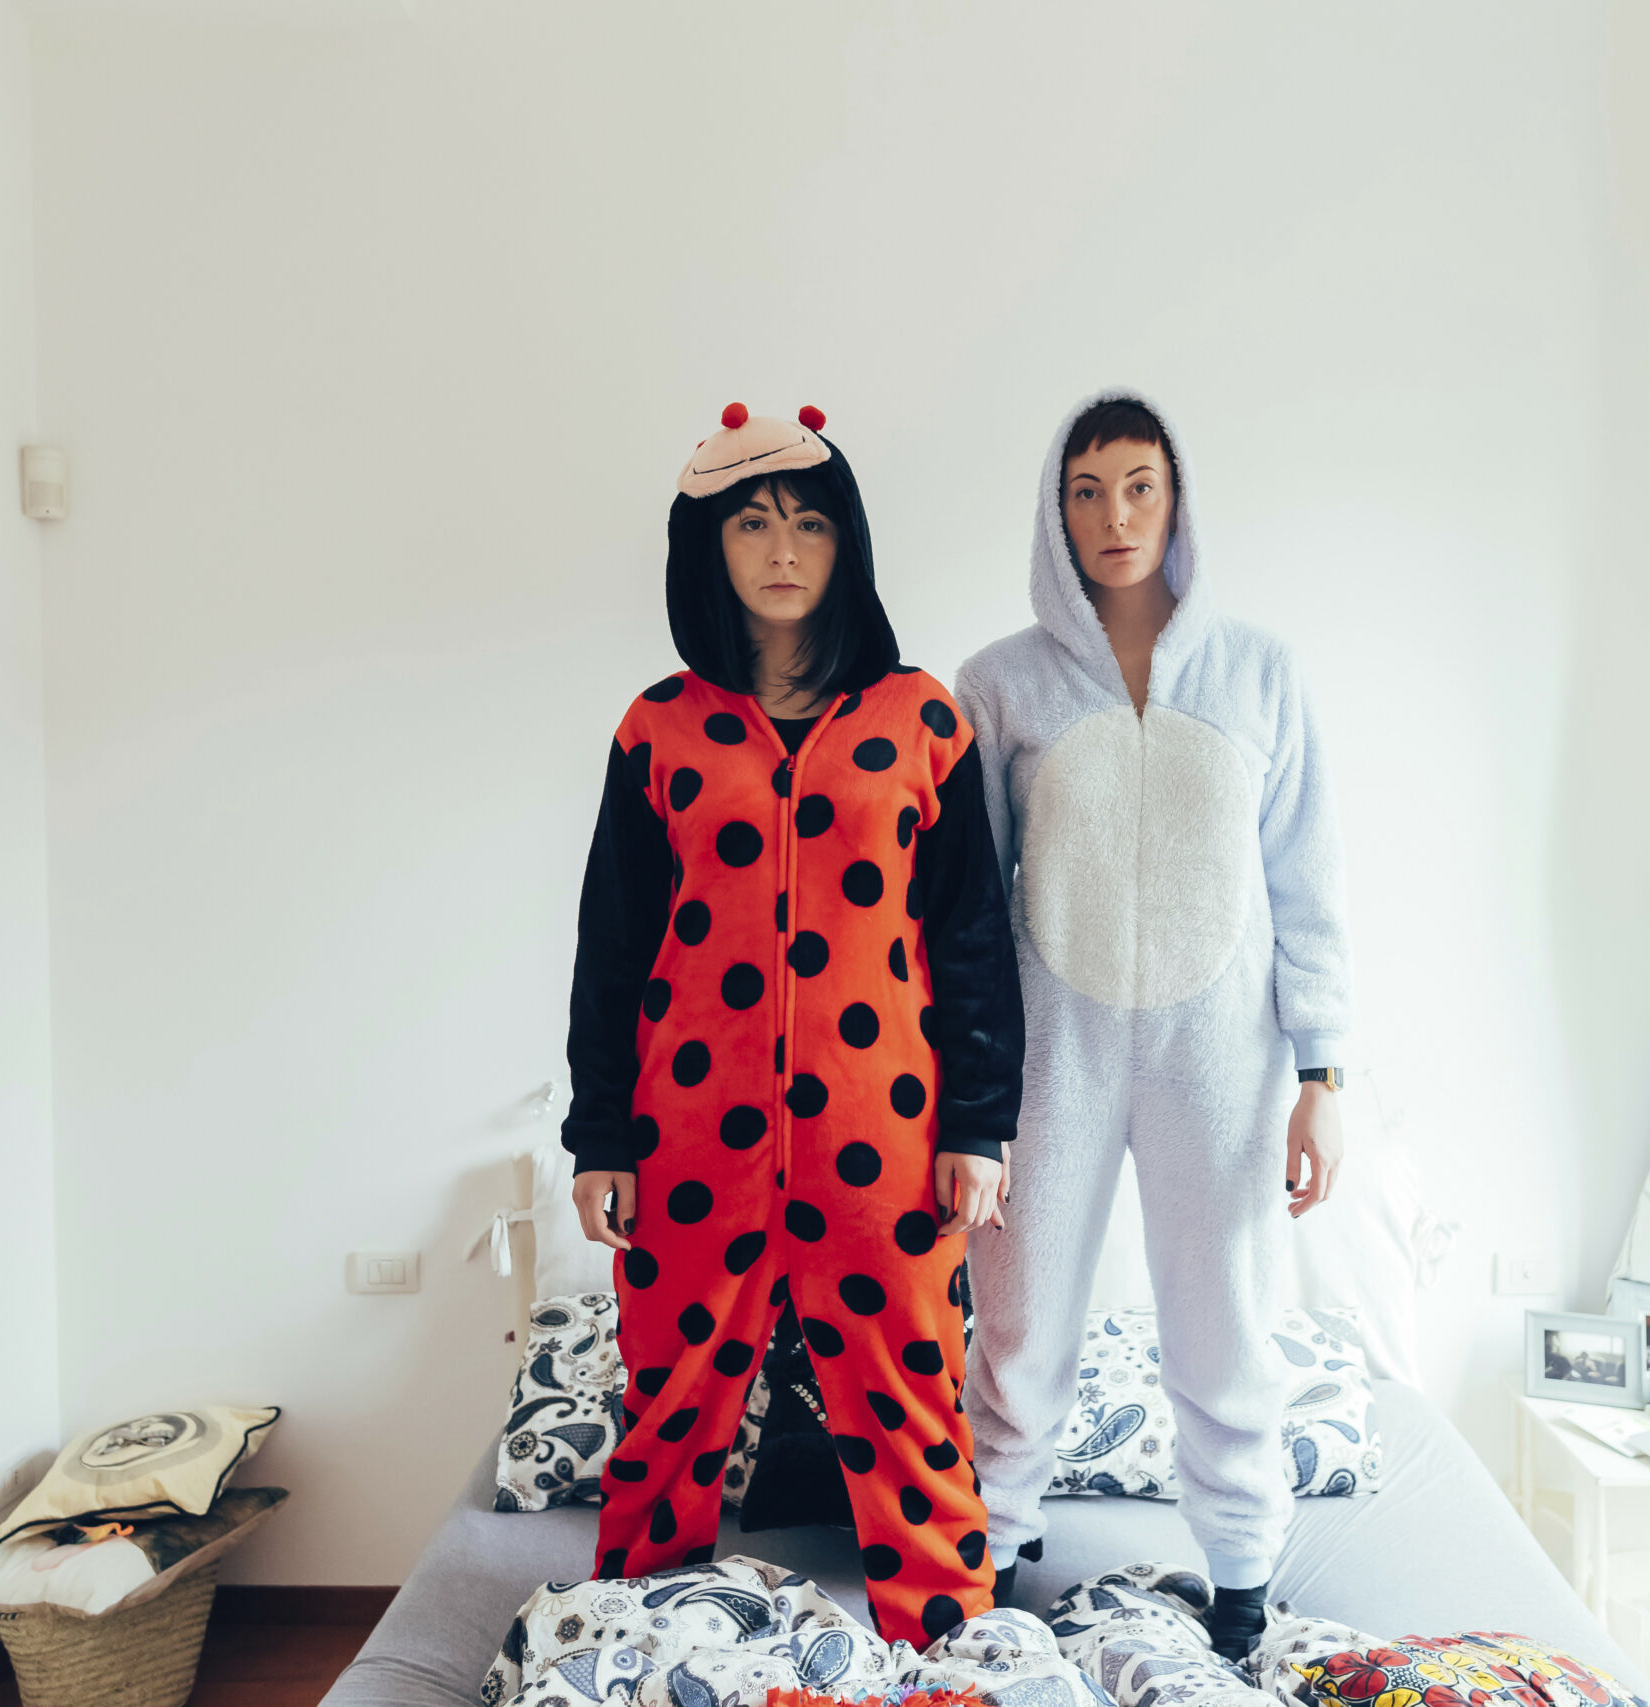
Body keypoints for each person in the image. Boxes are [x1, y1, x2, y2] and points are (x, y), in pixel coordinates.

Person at [559, 402, 1022, 1647]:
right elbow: (611, 946)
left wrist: (981, 1123)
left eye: (809, 522)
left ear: (845, 545)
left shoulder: (922, 719)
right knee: (667, 1408)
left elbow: (974, 938)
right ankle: (628, 1648)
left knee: (910, 1403)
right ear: (707, 544)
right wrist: (596, 1130)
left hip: (886, 1140)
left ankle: (950, 1657)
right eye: (753, 521)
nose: (781, 546)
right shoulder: (655, 729)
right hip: (688, 1137)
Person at [957, 389, 1354, 1660]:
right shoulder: (999, 686)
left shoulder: (1259, 674)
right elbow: (965, 906)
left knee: (1225, 1312)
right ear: (1054, 512)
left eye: (1137, 485)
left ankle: (1242, 1583)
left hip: (1219, 1061)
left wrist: (1322, 1071)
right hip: (1049, 1056)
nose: (1113, 515)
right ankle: (1000, 1556)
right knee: (1016, 1314)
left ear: (1176, 498)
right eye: (1085, 491)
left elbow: (1306, 882)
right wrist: (962, 1092)